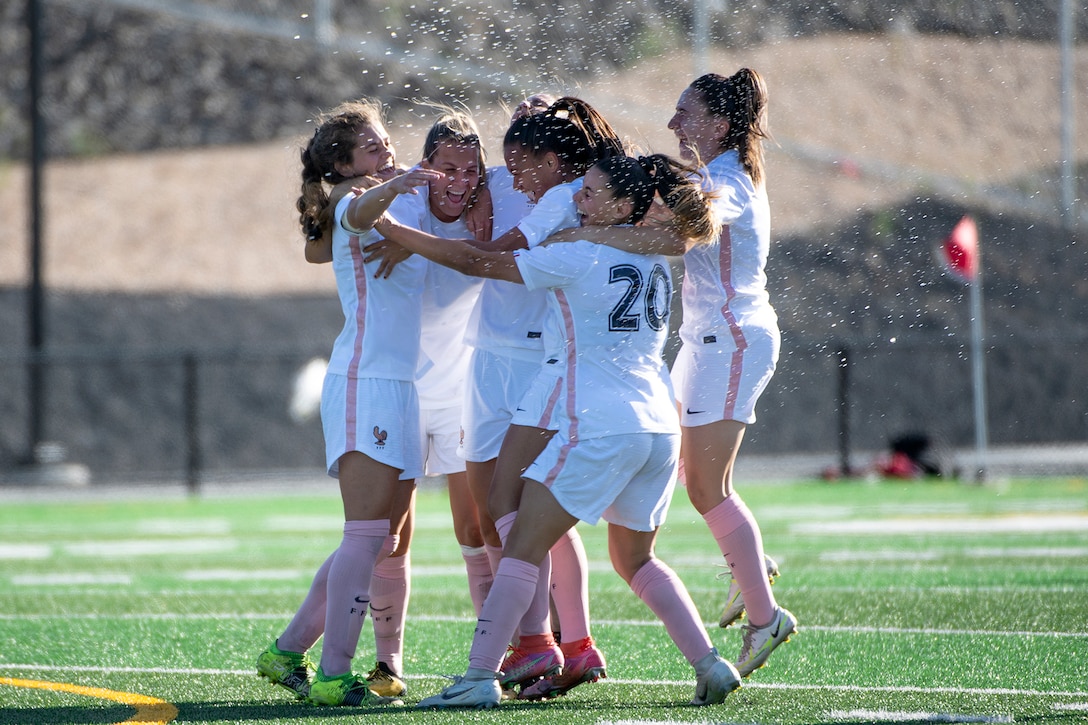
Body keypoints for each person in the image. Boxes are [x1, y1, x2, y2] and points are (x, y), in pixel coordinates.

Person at [376, 153, 742, 709]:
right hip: (655, 426)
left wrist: (386, 225)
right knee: (636, 560)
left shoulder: (579, 254)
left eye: (592, 192)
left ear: (624, 206)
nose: (579, 198)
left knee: (520, 547)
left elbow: (477, 262)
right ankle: (710, 664)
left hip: (596, 423)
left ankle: (480, 676)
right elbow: (655, 240)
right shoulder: (652, 256)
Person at [373, 97, 626, 696]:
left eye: (519, 163)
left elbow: (486, 255)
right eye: (503, 164)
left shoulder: (571, 193)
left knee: (515, 511)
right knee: (515, 514)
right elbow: (450, 181)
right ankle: (559, 645)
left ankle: (539, 645)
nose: (506, 177)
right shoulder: (502, 177)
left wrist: (399, 234)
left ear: (550, 154)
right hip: (493, 359)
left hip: (528, 364)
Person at [550, 69, 797, 677]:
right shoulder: (714, 176)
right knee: (693, 474)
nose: (673, 124)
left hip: (732, 338)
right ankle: (751, 565)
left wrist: (586, 233)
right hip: (706, 339)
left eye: (684, 113)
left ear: (719, 123)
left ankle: (766, 618)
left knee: (706, 488)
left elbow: (675, 238)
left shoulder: (728, 181)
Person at [254, 97, 443, 708]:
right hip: (365, 383)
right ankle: (334, 673)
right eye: (371, 146)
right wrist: (400, 184)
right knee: (365, 534)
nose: (386, 150)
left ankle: (286, 652)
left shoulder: (388, 198)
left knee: (381, 539)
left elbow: (326, 245)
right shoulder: (350, 200)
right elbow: (354, 212)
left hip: (400, 385)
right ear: (341, 164)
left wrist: (408, 199)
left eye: (386, 140)